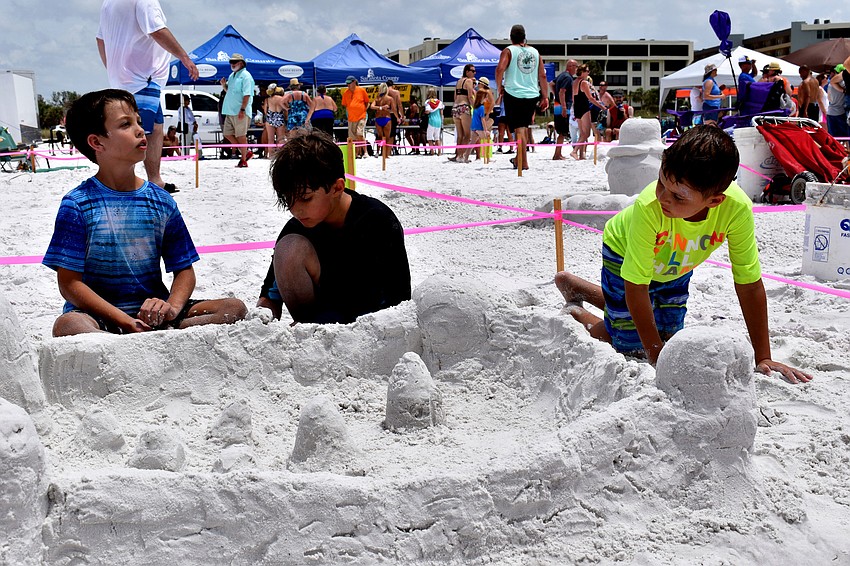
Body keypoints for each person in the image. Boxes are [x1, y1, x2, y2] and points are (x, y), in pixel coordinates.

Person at [554, 125, 812, 383]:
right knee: (627, 341)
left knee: (670, 336)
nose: (664, 198)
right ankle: (577, 312)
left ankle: (577, 287)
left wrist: (763, 356)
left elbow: (749, 283)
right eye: (660, 184)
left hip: (676, 264)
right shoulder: (649, 207)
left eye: (678, 196)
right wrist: (656, 357)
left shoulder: (737, 209)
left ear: (714, 201)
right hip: (623, 252)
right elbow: (636, 285)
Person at [43, 89, 247, 337]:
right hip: (101, 318)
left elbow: (184, 270)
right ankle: (145, 336)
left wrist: (171, 308)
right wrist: (124, 320)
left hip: (154, 316)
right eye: (126, 124)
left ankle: (168, 333)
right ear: (97, 142)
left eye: (138, 121)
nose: (140, 130)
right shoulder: (77, 204)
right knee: (68, 325)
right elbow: (69, 284)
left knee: (233, 308)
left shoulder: (161, 201)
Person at [257, 131, 411, 323]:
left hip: (369, 325)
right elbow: (270, 296)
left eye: (305, 198)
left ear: (337, 188)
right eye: (288, 199)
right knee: (289, 248)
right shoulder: (297, 227)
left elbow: (399, 299)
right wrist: (259, 320)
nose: (295, 209)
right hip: (315, 325)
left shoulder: (376, 221)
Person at [97, 0, 199, 194]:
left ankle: (155, 180)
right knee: (138, 132)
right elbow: (157, 30)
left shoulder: (108, 3)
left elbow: (100, 39)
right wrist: (184, 57)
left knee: (156, 127)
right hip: (143, 77)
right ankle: (125, 183)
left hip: (127, 78)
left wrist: (113, 69)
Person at [495, 24, 549, 170]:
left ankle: (523, 161)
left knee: (519, 129)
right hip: (532, 93)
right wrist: (545, 96)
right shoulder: (535, 52)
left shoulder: (508, 50)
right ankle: (519, 159)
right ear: (524, 36)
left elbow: (500, 69)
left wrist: (499, 86)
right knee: (523, 128)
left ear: (511, 37)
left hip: (514, 93)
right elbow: (542, 75)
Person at [219, 53, 255, 168]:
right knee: (227, 134)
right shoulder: (232, 75)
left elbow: (247, 94)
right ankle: (245, 152)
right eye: (231, 62)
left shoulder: (246, 76)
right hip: (230, 110)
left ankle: (243, 159)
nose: (232, 64)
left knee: (241, 136)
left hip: (240, 111)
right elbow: (230, 91)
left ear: (241, 63)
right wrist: (224, 86)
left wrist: (243, 110)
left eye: (234, 62)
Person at [570, 65, 605, 161]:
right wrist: (601, 106)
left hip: (577, 108)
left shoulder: (574, 82)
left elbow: (573, 98)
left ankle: (581, 154)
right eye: (587, 71)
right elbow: (590, 98)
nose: (588, 73)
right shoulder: (584, 82)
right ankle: (574, 151)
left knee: (582, 133)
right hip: (584, 108)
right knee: (586, 134)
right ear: (583, 72)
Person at [449, 63, 476, 163]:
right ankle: (460, 156)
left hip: (456, 107)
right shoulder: (468, 81)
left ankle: (457, 155)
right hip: (464, 107)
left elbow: (455, 96)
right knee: (467, 135)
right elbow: (469, 96)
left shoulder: (458, 81)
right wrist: (475, 108)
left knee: (460, 135)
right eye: (472, 71)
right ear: (467, 71)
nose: (474, 73)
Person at [552, 59, 578, 160]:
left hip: (558, 104)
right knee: (562, 131)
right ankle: (557, 154)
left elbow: (551, 84)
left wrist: (556, 96)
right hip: (563, 106)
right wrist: (563, 106)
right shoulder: (568, 78)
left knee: (562, 131)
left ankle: (558, 153)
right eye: (575, 67)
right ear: (570, 66)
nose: (576, 69)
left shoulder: (561, 75)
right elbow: (562, 91)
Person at [341, 75, 370, 158]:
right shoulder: (346, 93)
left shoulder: (361, 90)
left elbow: (367, 102)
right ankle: (356, 153)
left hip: (361, 116)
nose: (348, 85)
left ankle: (365, 152)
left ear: (354, 82)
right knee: (353, 137)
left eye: (349, 83)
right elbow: (345, 105)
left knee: (360, 134)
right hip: (351, 118)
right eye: (347, 83)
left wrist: (363, 110)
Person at [370, 83, 394, 160]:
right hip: (386, 118)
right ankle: (385, 154)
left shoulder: (377, 98)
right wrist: (384, 108)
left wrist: (380, 108)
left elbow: (372, 106)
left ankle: (378, 152)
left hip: (378, 118)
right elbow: (393, 110)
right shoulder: (390, 99)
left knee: (380, 137)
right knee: (386, 137)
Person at [826, 65, 848, 140]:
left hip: (830, 111)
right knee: (845, 137)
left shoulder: (830, 84)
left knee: (833, 138)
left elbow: (829, 98)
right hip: (841, 112)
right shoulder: (845, 84)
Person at [385, 79, 404, 153]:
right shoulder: (396, 92)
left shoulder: (384, 92)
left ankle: (384, 151)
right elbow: (399, 104)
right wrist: (402, 115)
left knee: (385, 133)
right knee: (392, 134)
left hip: (384, 113)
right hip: (393, 114)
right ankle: (388, 152)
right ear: (392, 85)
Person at [264, 84, 286, 151]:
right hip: (279, 117)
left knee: (270, 139)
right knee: (280, 138)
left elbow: (265, 111)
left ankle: (270, 155)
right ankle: (280, 154)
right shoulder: (282, 99)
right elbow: (285, 110)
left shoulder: (267, 99)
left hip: (270, 117)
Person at [424, 87, 444, 156]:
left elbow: (427, 111)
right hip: (438, 121)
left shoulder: (428, 102)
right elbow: (441, 112)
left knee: (429, 137)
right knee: (437, 137)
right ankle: (439, 152)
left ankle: (432, 151)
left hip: (431, 120)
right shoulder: (439, 102)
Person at [470, 90, 489, 160]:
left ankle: (465, 157)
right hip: (478, 127)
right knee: (487, 138)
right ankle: (487, 158)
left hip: (473, 126)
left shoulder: (475, 106)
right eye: (486, 97)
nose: (487, 99)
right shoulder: (481, 107)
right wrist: (485, 130)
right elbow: (482, 119)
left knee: (472, 143)